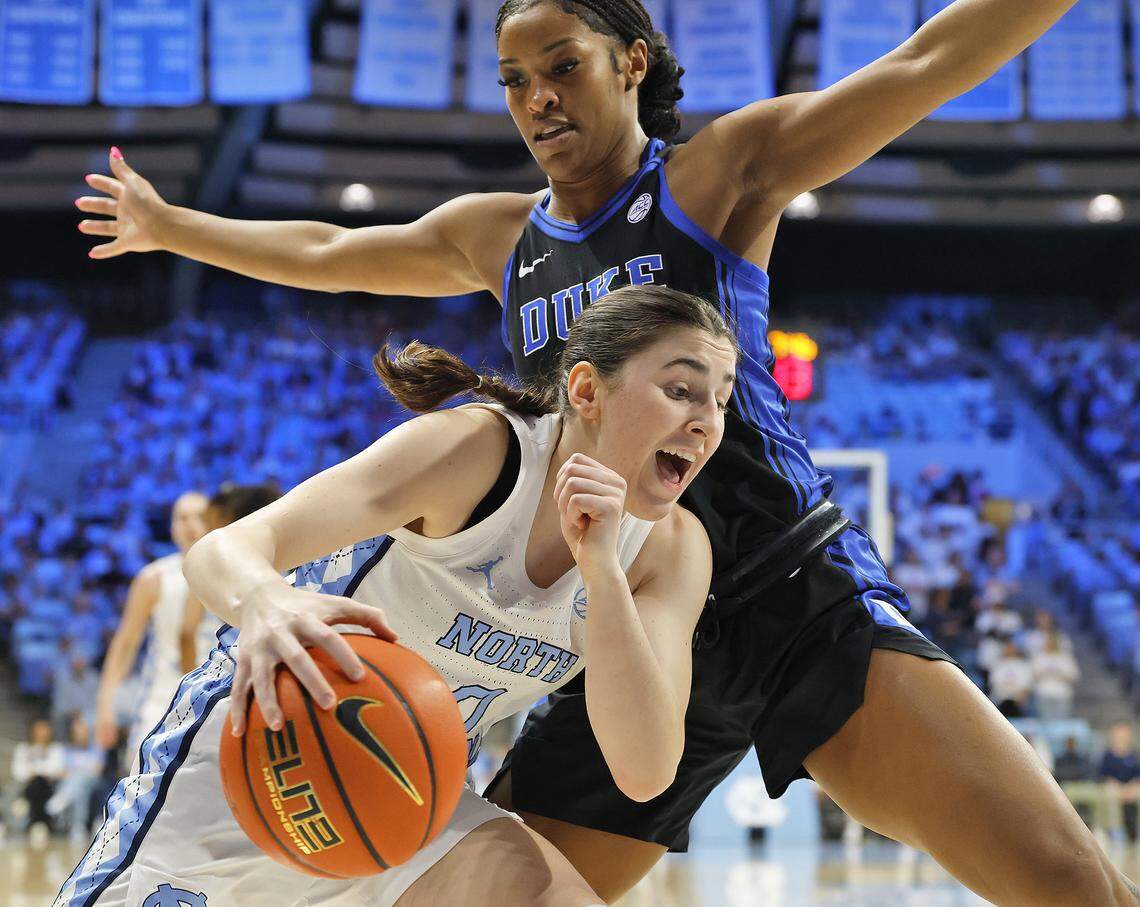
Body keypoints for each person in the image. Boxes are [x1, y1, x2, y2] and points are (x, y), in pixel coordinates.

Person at [75, 0, 1133, 901]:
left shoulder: (714, 177)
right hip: (611, 629)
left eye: (563, 68)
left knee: (1070, 884)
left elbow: (924, 63)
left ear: (632, 63)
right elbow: (334, 251)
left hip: (788, 603)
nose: (538, 99)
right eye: (514, 81)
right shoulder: (502, 237)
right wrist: (177, 230)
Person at [55, 286, 734, 907]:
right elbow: (222, 549)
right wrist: (266, 601)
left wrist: (602, 574)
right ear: (587, 390)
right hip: (253, 770)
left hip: (405, 800)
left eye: (722, 400)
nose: (707, 422)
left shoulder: (672, 550)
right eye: (682, 390)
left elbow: (644, 771)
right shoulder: (480, 452)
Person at [93, 492, 208, 765]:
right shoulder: (153, 578)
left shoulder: (234, 573)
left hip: (214, 703)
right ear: (172, 527)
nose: (190, 524)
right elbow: (126, 644)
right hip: (161, 701)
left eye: (199, 517)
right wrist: (105, 705)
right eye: (182, 517)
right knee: (138, 797)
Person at [179, 482, 284, 668]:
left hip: (227, 669)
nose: (204, 530)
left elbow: (187, 631)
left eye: (207, 522)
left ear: (224, 518)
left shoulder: (216, 561)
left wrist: (188, 678)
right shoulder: (285, 559)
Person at [12, 718, 65, 843]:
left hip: (49, 787)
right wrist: (37, 772)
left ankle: (28, 811)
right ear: (33, 732)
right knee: (37, 783)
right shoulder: (23, 749)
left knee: (39, 783)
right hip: (28, 785)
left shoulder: (56, 749)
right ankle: (41, 824)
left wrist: (35, 771)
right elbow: (18, 771)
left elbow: (57, 769)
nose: (42, 733)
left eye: (45, 730)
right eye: (39, 730)